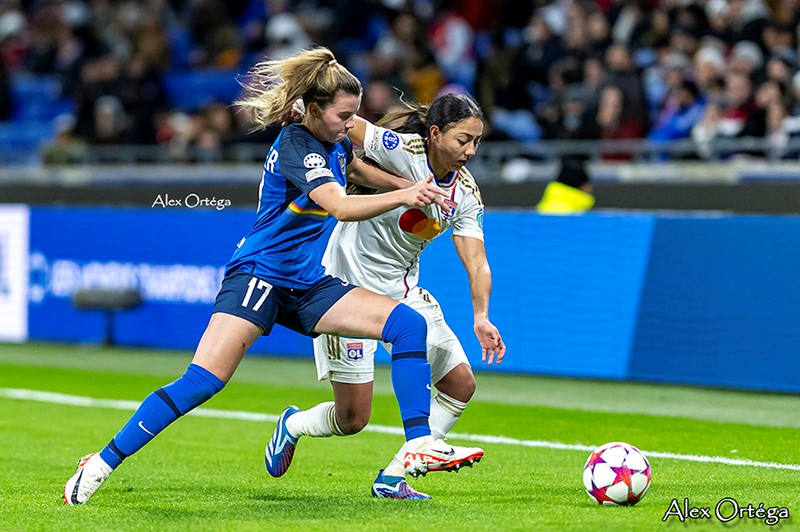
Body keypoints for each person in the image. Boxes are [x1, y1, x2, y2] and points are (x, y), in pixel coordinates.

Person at [63, 47, 484, 505]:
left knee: (409, 325)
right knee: (202, 382)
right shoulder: (296, 145)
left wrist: (408, 187)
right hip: (259, 275)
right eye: (344, 115)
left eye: (355, 114)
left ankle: (419, 443)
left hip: (306, 281)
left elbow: (358, 167)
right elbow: (341, 205)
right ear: (315, 109)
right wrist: (407, 195)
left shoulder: (335, 139)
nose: (352, 124)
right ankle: (101, 462)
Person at [266, 92, 505, 500]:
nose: (470, 150)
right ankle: (293, 425)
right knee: (352, 417)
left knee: (461, 383)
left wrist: (481, 316)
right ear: (434, 134)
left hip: (401, 289)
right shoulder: (401, 149)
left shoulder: (465, 194)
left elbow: (477, 263)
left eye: (477, 141)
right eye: (462, 139)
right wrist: (307, 110)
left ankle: (395, 476)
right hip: (343, 287)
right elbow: (347, 123)